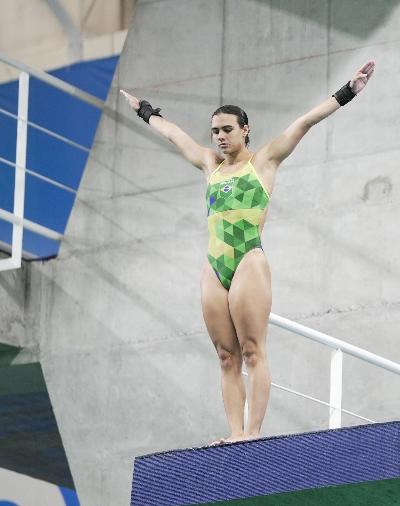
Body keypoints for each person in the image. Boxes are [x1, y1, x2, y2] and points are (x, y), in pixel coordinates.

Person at [120, 60, 375, 443]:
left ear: (245, 130)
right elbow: (173, 134)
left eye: (227, 130)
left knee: (252, 351)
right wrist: (144, 110)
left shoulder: (265, 160)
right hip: (215, 265)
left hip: (248, 260)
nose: (219, 137)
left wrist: (348, 91)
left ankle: (253, 433)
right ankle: (234, 433)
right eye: (215, 132)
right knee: (226, 357)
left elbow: (304, 122)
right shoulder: (209, 164)